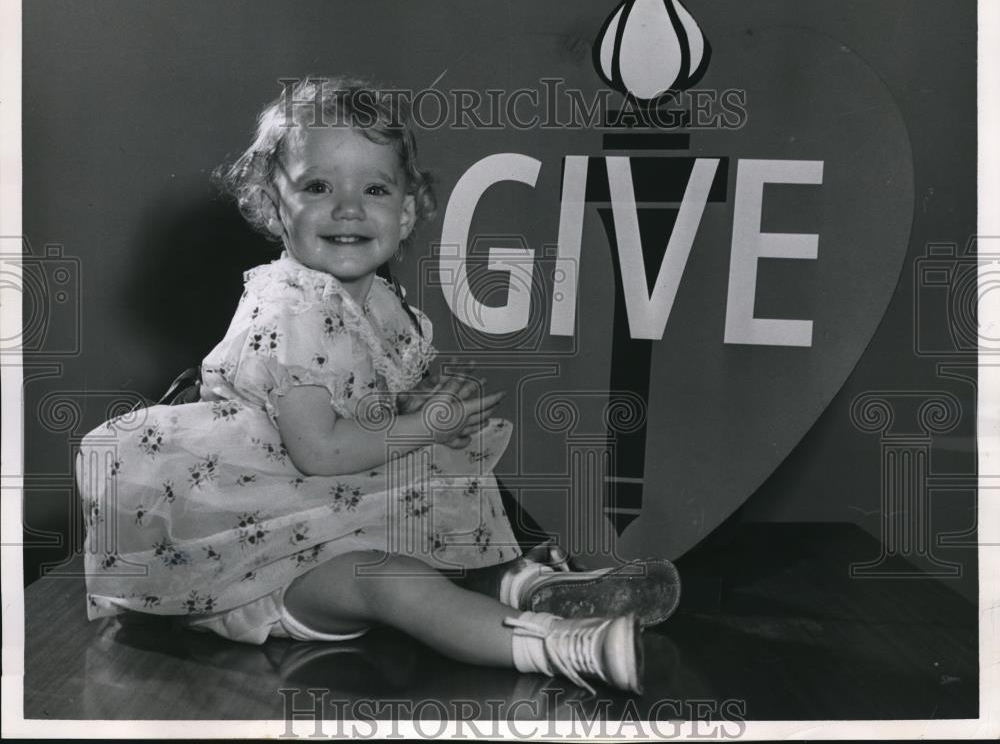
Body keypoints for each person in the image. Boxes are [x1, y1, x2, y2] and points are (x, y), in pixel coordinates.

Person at [75, 77, 676, 695]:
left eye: (375, 188)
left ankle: (522, 584)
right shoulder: (290, 311)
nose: (348, 208)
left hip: (326, 515)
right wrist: (427, 424)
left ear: (407, 209)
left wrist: (424, 414)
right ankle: (562, 645)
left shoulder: (375, 302)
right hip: (261, 564)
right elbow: (321, 451)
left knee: (432, 506)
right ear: (271, 204)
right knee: (391, 581)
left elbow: (373, 417)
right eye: (317, 187)